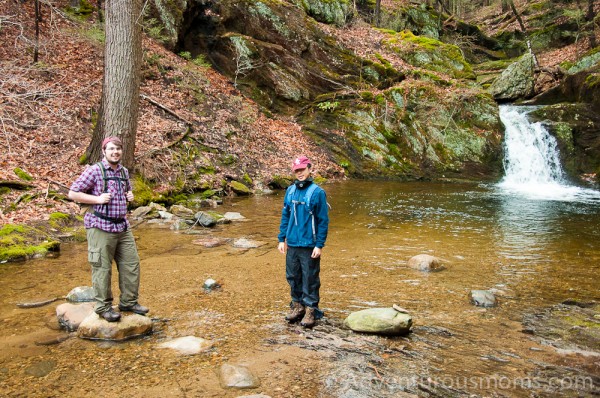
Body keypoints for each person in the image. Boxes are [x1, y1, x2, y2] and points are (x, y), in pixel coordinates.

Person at [68, 136, 148, 322]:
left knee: (131, 264)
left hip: (122, 225)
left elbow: (126, 192)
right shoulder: (95, 171)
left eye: (118, 149)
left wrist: (130, 195)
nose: (115, 152)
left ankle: (129, 302)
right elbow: (73, 193)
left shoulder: (123, 172)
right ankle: (103, 307)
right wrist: (97, 199)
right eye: (111, 149)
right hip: (100, 225)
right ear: (104, 151)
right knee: (102, 269)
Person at [278, 155, 329, 328]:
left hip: (309, 245)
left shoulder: (318, 193)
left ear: (309, 169)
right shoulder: (290, 191)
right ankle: (298, 306)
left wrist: (319, 245)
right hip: (292, 242)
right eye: (297, 170)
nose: (300, 173)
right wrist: (281, 239)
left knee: (310, 278)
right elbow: (285, 215)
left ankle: (311, 310)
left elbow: (323, 221)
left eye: (302, 169)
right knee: (292, 276)